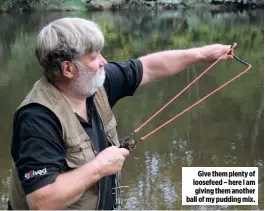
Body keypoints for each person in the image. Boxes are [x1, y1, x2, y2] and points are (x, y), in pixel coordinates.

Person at [8, 17, 233, 210]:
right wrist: (99, 167)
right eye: (94, 57)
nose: (104, 62)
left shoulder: (94, 83)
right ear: (68, 69)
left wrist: (203, 54)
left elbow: (150, 67)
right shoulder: (37, 118)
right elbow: (41, 201)